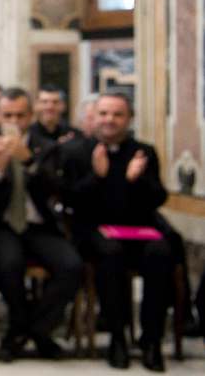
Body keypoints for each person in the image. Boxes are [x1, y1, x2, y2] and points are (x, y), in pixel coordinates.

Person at [63, 92, 173, 371]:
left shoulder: (143, 152)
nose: (109, 120)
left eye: (117, 114)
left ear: (129, 119)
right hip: (95, 231)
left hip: (138, 229)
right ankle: (117, 338)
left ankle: (151, 340)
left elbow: (158, 198)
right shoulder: (77, 151)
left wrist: (137, 180)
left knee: (161, 252)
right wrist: (97, 176)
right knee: (110, 254)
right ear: (94, 117)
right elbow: (71, 200)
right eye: (103, 114)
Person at [0, 88, 81, 361]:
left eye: (20, 115)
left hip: (39, 224)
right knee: (9, 265)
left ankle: (35, 329)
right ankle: (18, 328)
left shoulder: (47, 146)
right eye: (7, 115)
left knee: (71, 266)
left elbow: (59, 189)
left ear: (31, 116)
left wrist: (29, 161)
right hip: (1, 225)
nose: (14, 121)